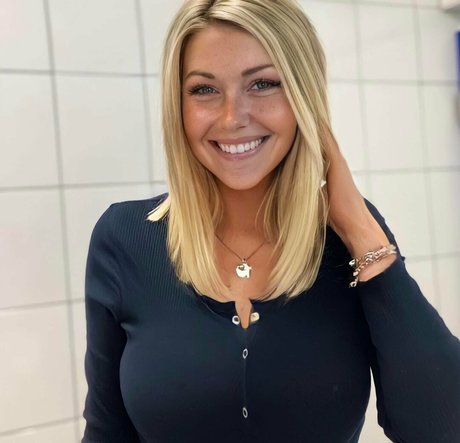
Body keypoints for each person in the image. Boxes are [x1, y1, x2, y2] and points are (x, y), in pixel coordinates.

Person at [81, 0, 460, 442]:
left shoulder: (349, 241)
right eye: (204, 89)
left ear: (304, 96)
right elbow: (106, 432)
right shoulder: (124, 238)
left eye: (262, 84)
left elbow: (442, 428)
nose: (232, 118)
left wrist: (358, 225)